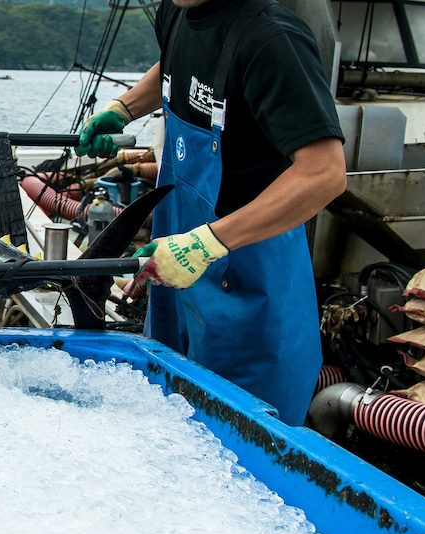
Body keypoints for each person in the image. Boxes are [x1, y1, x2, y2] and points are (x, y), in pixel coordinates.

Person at [75, 0, 346, 426]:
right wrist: (124, 107)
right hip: (176, 268)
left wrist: (207, 243)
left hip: (247, 279)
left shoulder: (272, 39)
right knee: (167, 415)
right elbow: (177, 63)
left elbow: (324, 173)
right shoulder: (177, 10)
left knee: (237, 446)